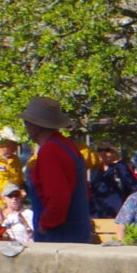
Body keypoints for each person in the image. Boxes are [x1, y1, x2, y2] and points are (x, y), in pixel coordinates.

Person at [21, 98, 96, 245]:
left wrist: (46, 224)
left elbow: (57, 198)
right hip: (74, 230)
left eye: (26, 123)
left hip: (59, 234)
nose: (26, 128)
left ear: (36, 127)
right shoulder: (68, 146)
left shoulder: (50, 150)